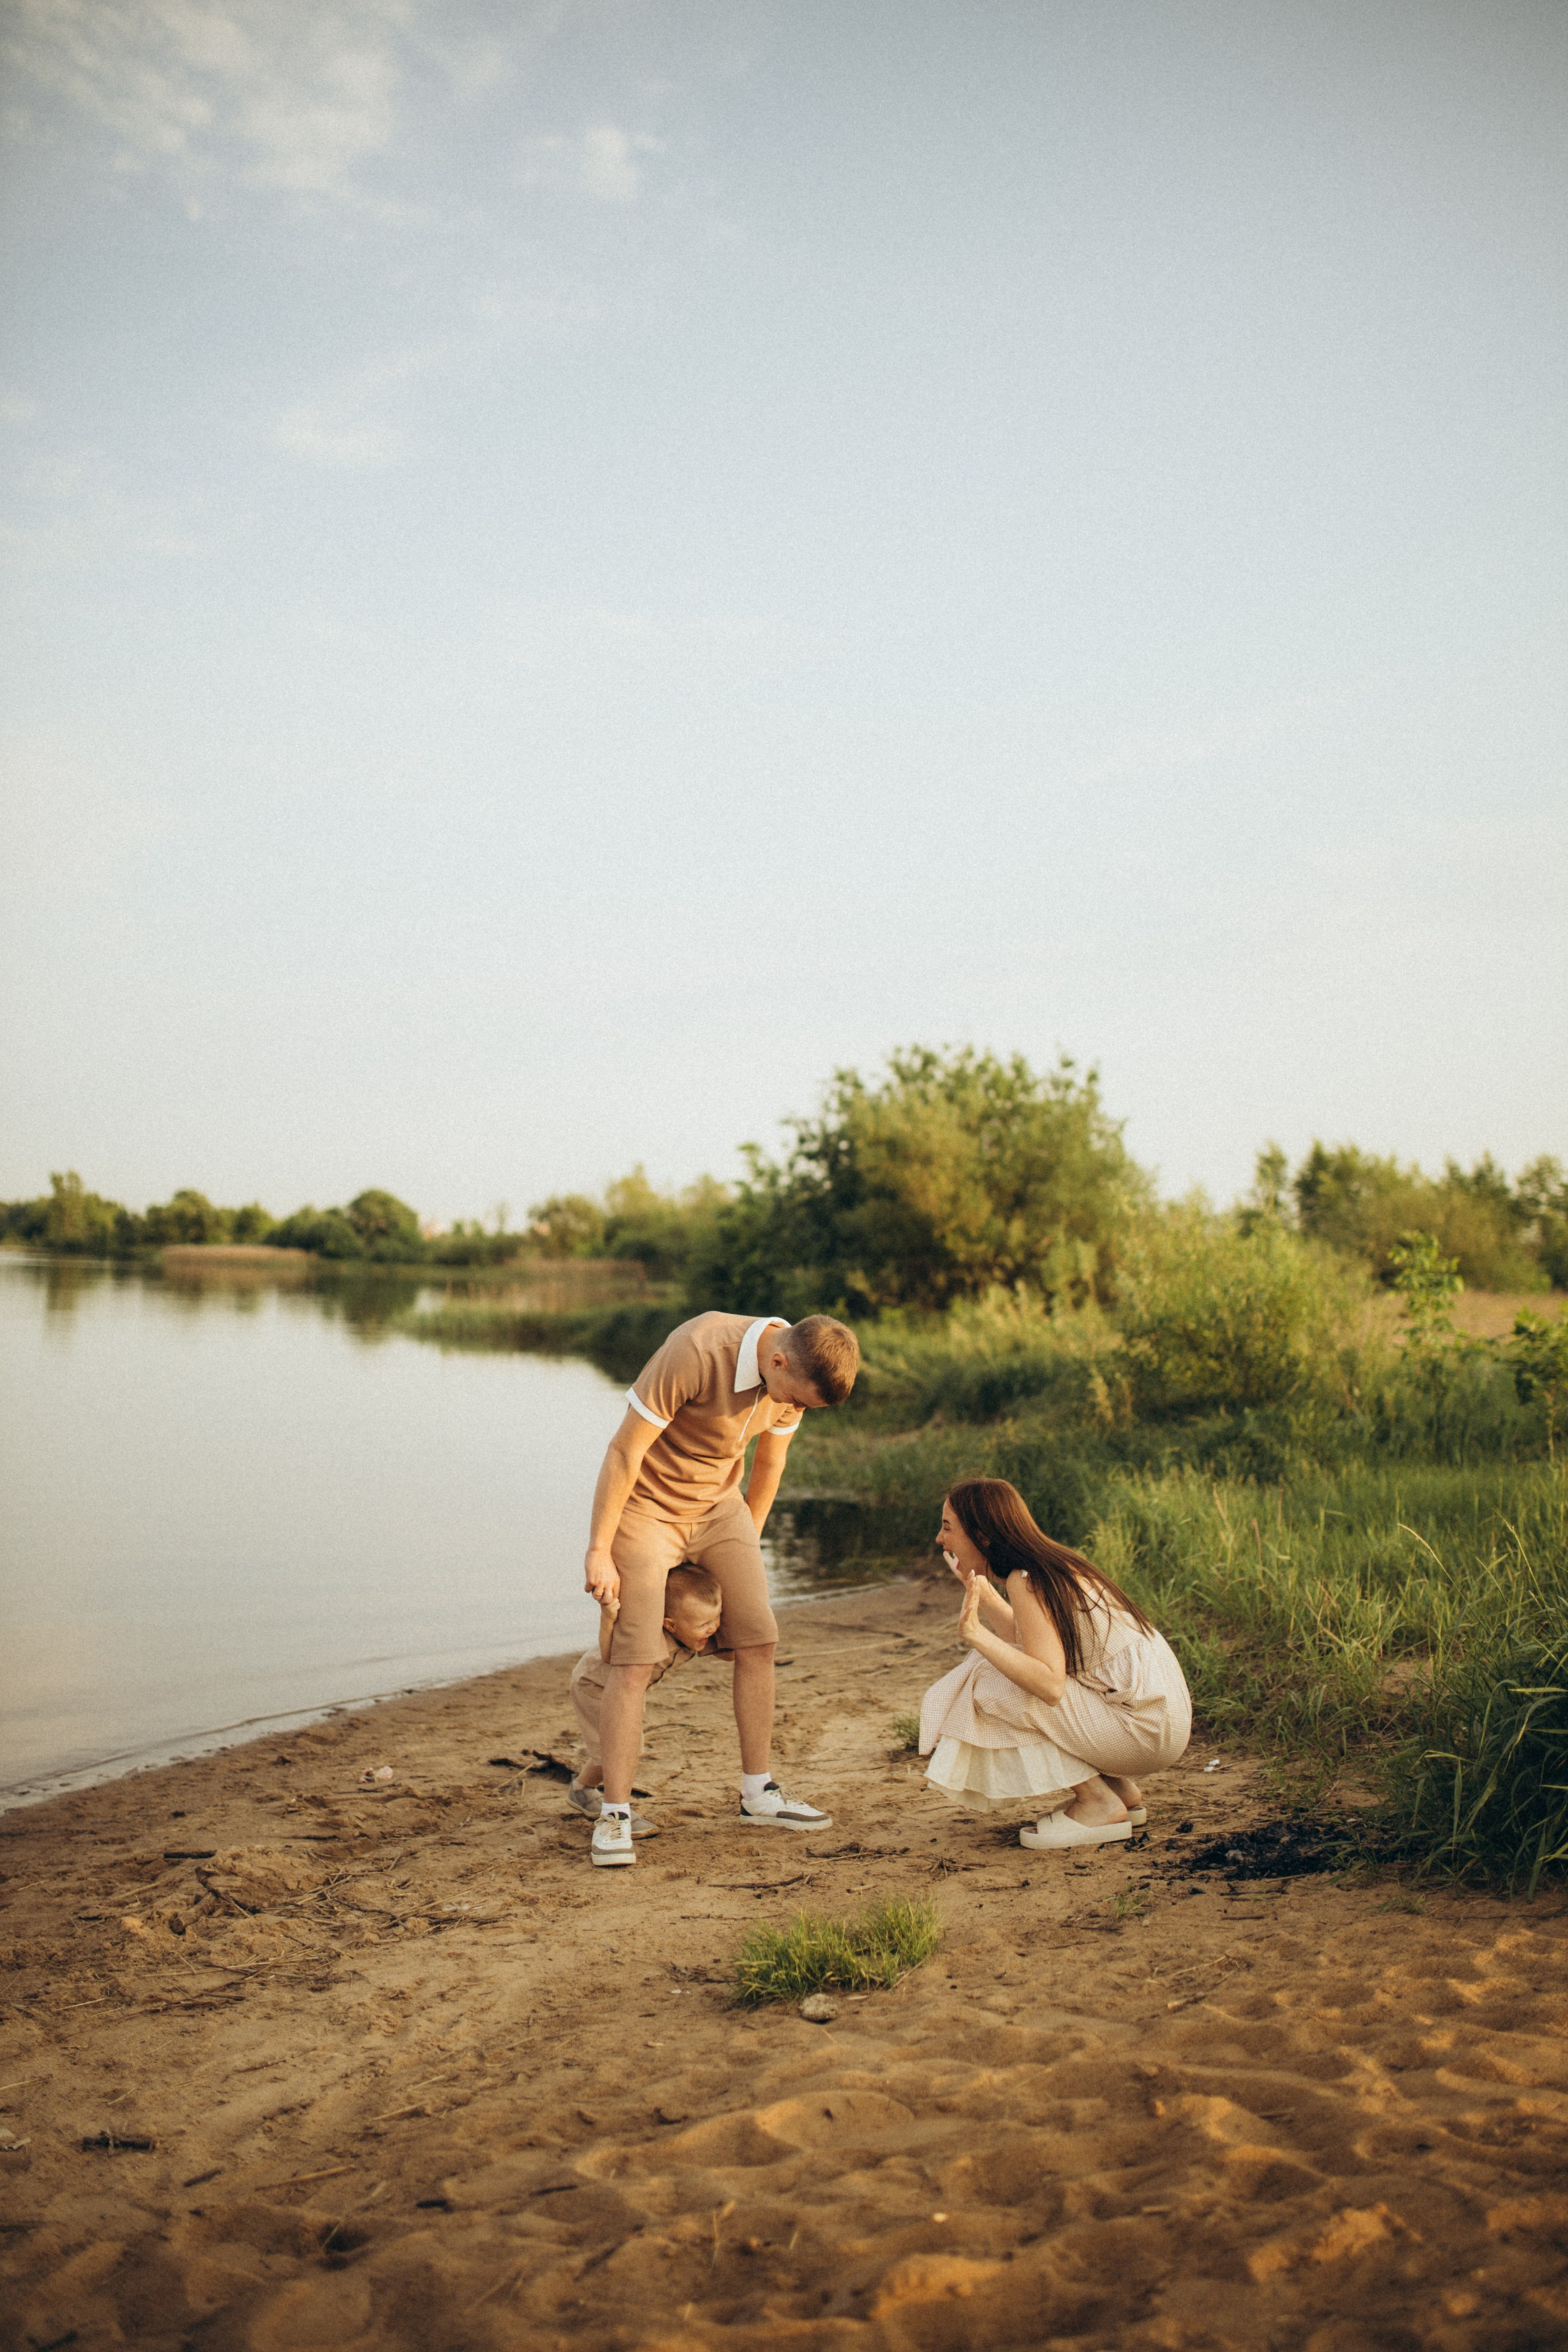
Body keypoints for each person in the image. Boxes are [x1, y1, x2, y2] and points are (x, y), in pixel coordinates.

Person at [581, 1309, 861, 1869]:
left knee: (759, 1640)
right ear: (777, 1361)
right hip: (647, 1509)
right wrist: (598, 1550)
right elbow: (624, 1451)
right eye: (798, 1401)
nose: (798, 1410)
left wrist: (744, 1547)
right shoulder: (697, 1350)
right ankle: (614, 1815)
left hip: (718, 1510)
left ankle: (758, 1793)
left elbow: (771, 1463)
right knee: (634, 1662)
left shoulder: (792, 1379)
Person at [919, 1477, 1191, 1850]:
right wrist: (982, 1592)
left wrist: (976, 1635)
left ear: (982, 1536)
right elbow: (1028, 1642)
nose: (940, 1539)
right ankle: (1117, 1791)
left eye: (948, 1527)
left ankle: (1098, 1802)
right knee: (1006, 1670)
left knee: (989, 1681)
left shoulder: (1028, 1579)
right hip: (1159, 1723)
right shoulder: (1046, 1566)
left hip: (1144, 1730)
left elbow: (1048, 1684)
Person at [567, 1564, 725, 1859]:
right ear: (670, 1625)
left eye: (716, 1618)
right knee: (622, 1747)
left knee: (616, 1747)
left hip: (627, 1692)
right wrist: (608, 1616)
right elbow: (609, 1651)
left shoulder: (691, 1636)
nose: (713, 1628)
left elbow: (726, 1650)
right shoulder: (651, 1636)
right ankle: (610, 1807)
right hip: (595, 1685)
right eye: (704, 1624)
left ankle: (582, 1789)